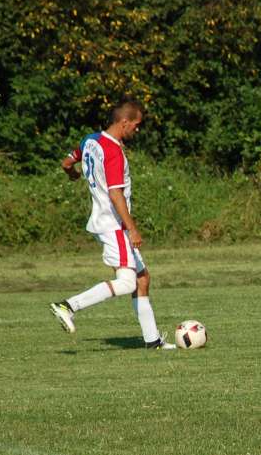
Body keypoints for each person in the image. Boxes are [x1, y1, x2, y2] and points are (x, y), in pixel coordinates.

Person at [49, 98, 175, 349]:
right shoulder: (114, 151)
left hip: (102, 220)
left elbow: (67, 161)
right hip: (114, 224)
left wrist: (73, 174)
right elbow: (116, 195)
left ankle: (153, 341)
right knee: (128, 282)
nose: (137, 130)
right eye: (136, 125)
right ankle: (68, 306)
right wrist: (132, 228)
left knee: (142, 278)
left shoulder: (91, 139)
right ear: (124, 122)